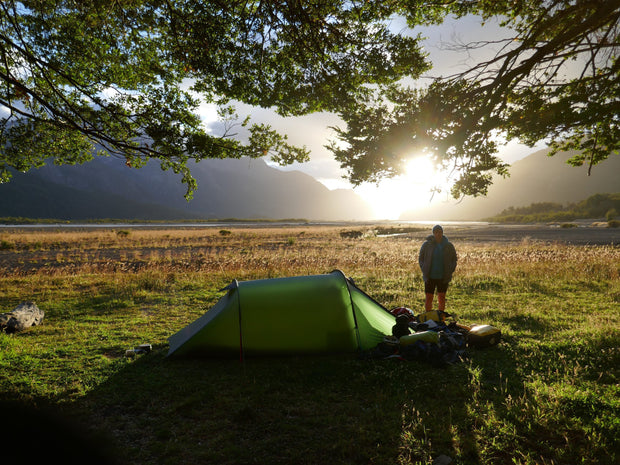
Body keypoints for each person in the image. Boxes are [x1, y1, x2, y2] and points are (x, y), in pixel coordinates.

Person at [418, 224, 457, 312]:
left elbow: (454, 259)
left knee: (442, 298)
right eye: (436, 232)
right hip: (429, 276)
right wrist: (424, 268)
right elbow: (421, 258)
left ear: (442, 233)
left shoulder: (448, 245)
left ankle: (440, 317)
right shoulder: (427, 245)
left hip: (443, 277)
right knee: (429, 297)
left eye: (440, 232)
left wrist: (450, 270)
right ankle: (428, 317)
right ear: (433, 233)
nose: (438, 234)